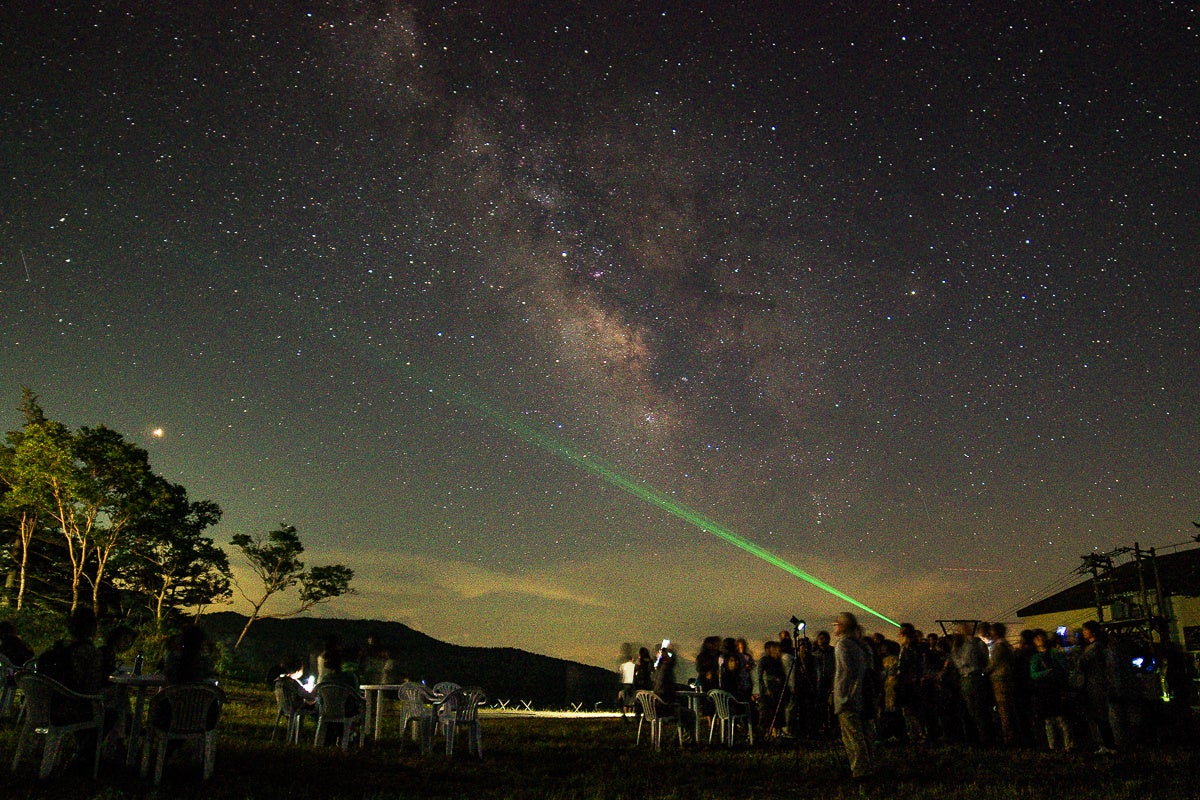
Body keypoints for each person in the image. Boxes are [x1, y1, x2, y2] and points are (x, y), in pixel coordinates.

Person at [833, 611, 875, 780]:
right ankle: (868, 767)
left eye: (836, 624)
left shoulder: (843, 645)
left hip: (848, 697)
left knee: (852, 736)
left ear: (842, 626)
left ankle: (860, 772)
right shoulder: (861, 646)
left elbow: (845, 672)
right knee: (864, 734)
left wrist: (841, 697)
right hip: (862, 695)